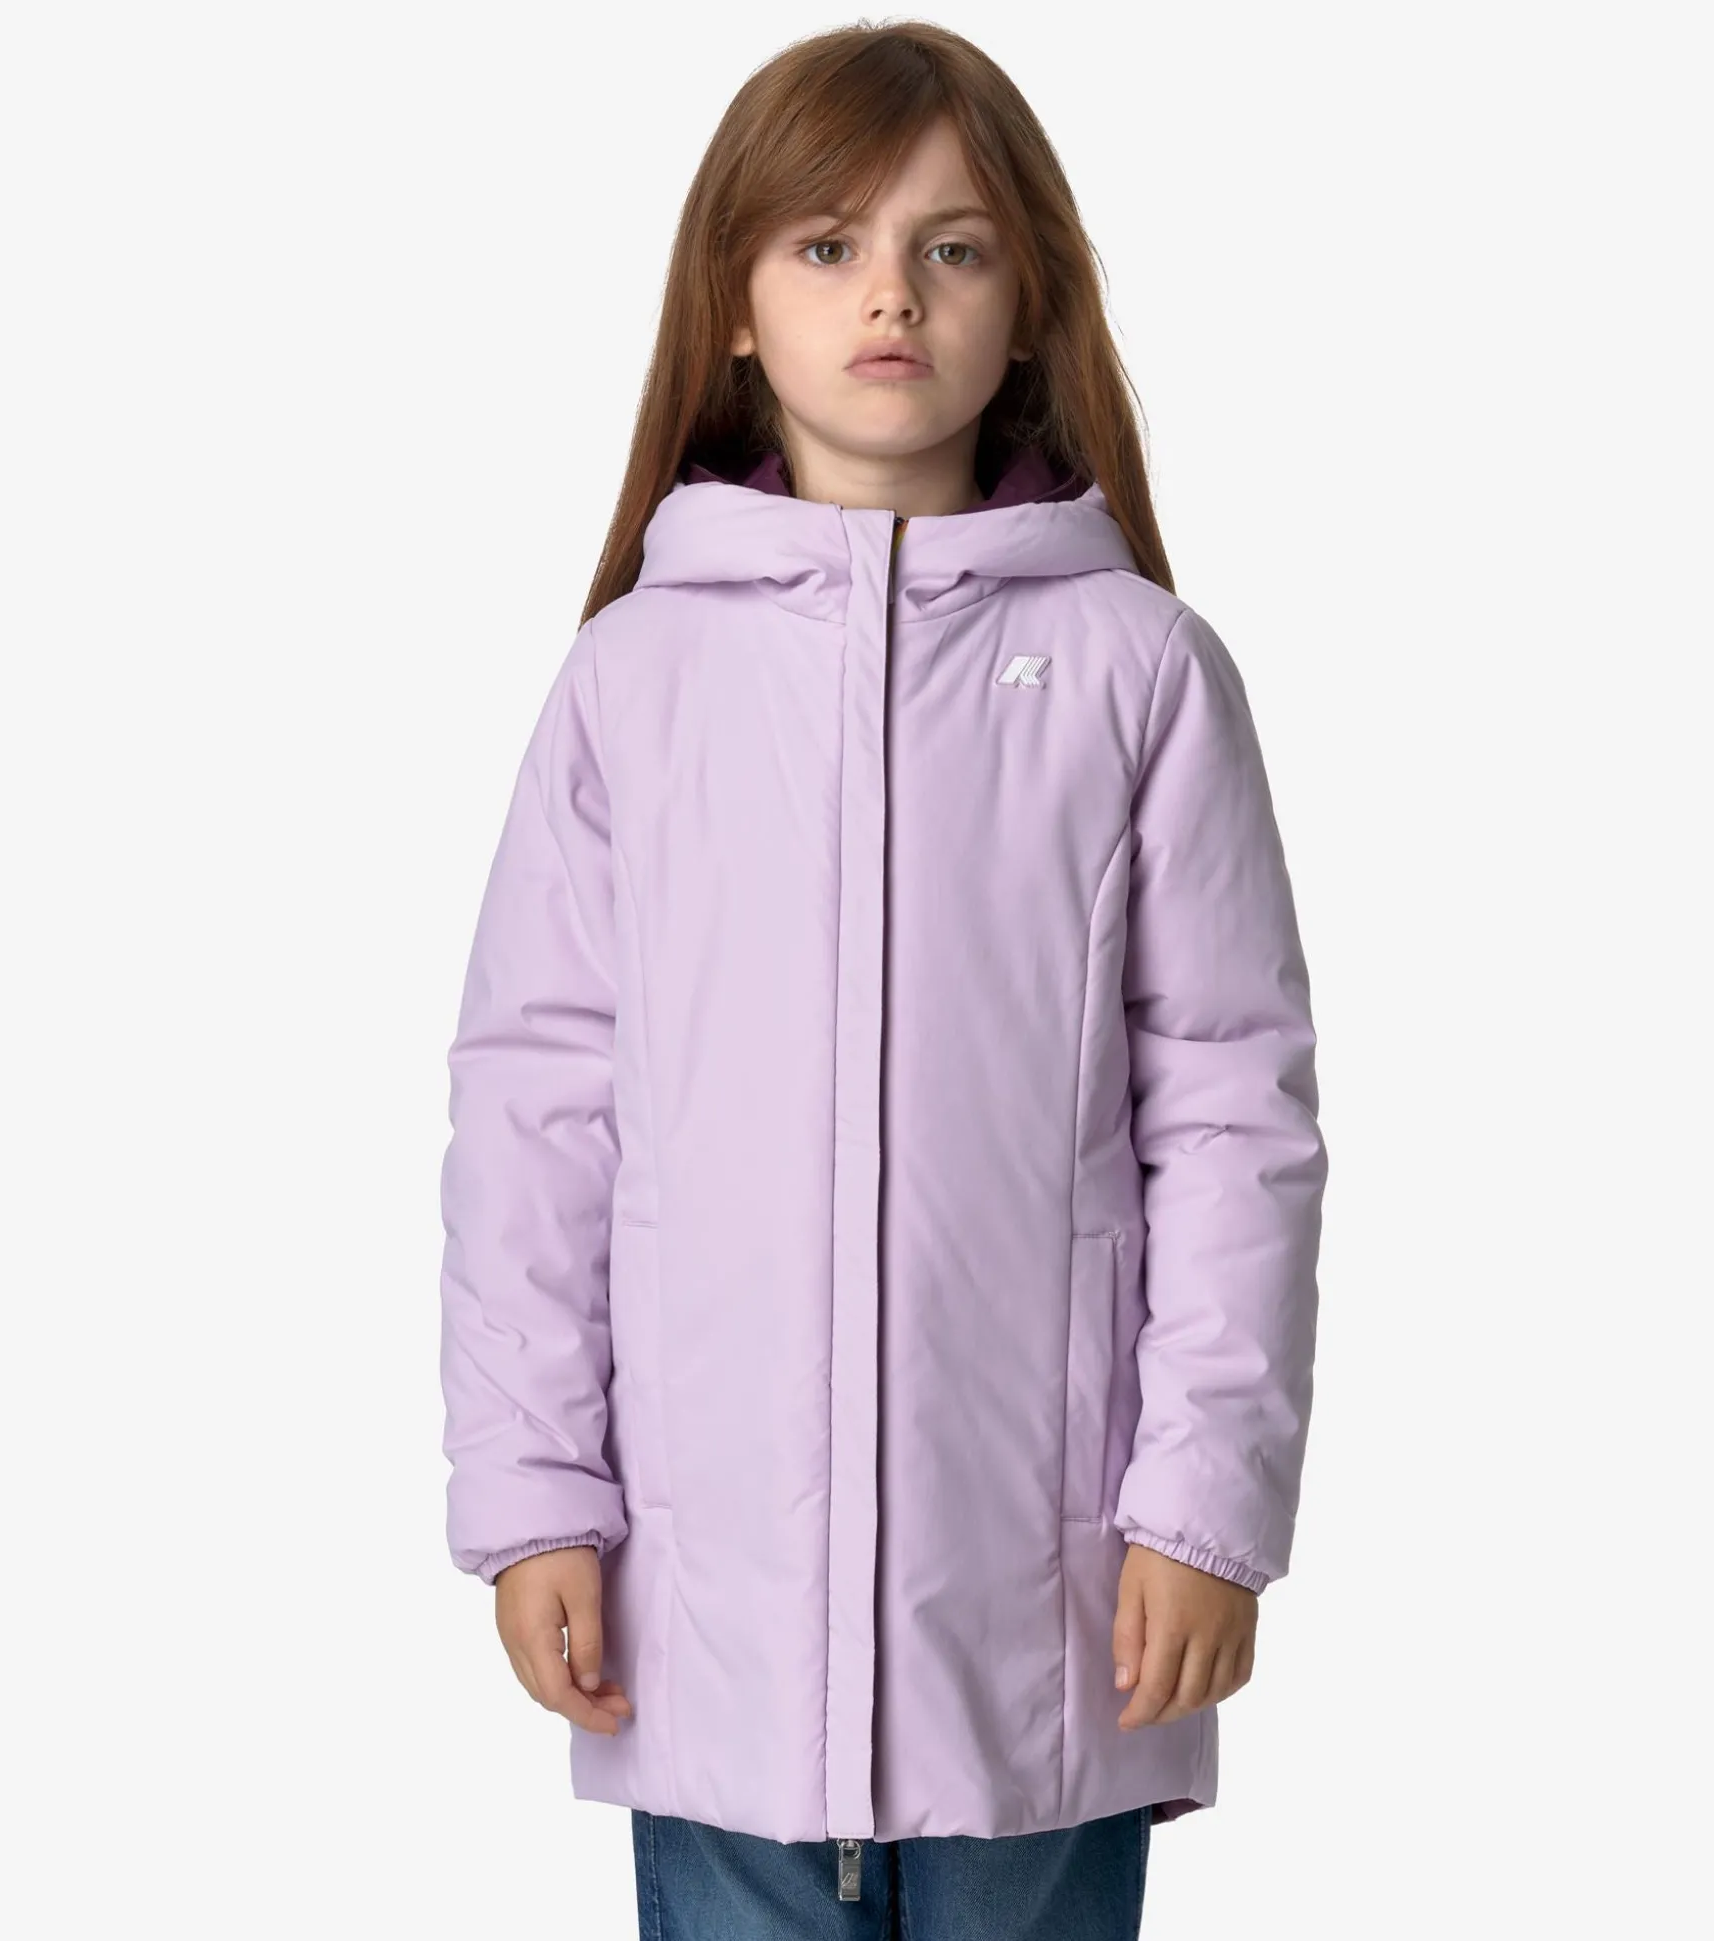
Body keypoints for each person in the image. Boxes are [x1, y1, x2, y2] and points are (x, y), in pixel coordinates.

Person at [436, 21, 1328, 1940]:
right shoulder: (633, 682)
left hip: (1050, 1614)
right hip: (707, 1617)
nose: (891, 296)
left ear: (1033, 301)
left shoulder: (1141, 673)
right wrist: (535, 1499)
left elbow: (1234, 1117)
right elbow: (537, 1110)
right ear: (734, 305)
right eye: (828, 245)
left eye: (954, 247)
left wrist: (1203, 1513)